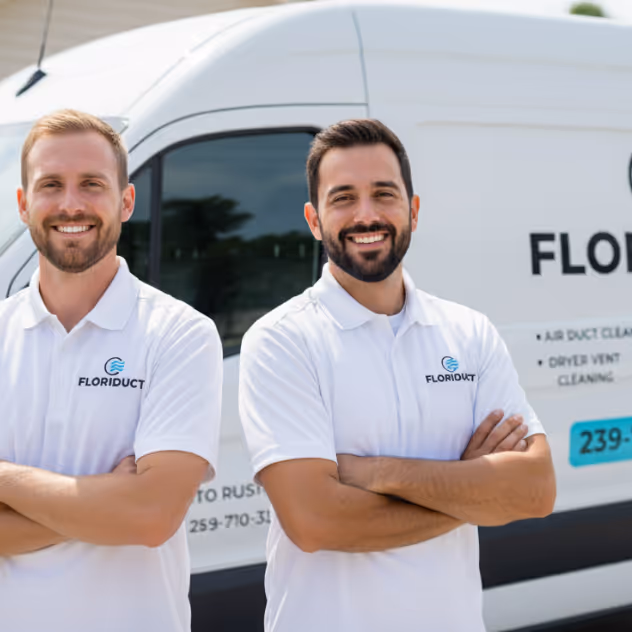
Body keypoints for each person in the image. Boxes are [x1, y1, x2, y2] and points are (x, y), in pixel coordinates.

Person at [239, 119, 556, 632]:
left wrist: (376, 472)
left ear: (412, 210)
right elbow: (315, 522)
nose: (366, 215)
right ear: (314, 220)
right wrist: (470, 491)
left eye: (384, 194)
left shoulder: (468, 333)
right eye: (343, 198)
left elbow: (534, 491)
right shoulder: (282, 341)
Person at [0, 110, 222, 632]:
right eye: (51, 184)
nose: (71, 203)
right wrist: (106, 498)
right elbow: (129, 511)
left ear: (125, 202)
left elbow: (150, 518)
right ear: (23, 202)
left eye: (92, 184)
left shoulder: (180, 334)